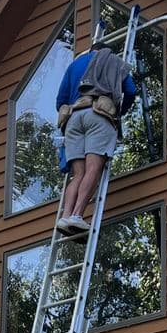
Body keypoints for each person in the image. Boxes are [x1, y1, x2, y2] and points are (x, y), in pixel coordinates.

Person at [54, 41, 138, 233]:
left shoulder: (74, 65)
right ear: (104, 52)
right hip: (99, 115)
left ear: (91, 50)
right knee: (94, 168)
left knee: (79, 174)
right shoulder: (113, 61)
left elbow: (60, 101)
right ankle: (77, 215)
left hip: (73, 120)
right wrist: (119, 113)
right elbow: (131, 91)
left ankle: (65, 216)